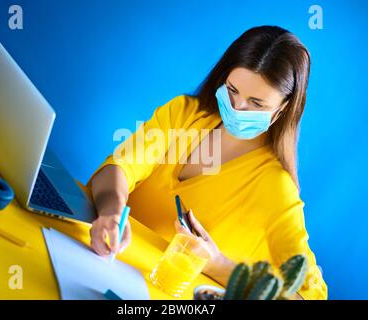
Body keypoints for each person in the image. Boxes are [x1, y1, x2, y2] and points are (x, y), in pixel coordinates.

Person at [87, 25, 328, 300]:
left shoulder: (275, 187)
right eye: (233, 90)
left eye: (256, 103)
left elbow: (312, 295)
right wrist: (111, 211)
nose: (237, 108)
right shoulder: (183, 114)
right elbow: (118, 167)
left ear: (282, 109)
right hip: (97, 261)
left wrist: (218, 264)